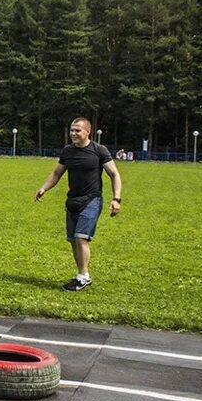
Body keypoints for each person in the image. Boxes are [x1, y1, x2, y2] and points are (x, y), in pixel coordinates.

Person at [35, 117, 122, 291]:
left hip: (92, 199)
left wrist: (116, 198)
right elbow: (56, 173)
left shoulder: (99, 150)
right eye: (72, 130)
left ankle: (83, 277)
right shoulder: (68, 151)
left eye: (77, 130)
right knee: (74, 240)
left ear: (87, 132)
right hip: (72, 200)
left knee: (81, 237)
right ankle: (81, 274)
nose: (73, 133)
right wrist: (44, 188)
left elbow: (114, 174)